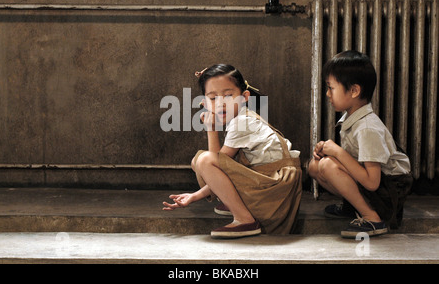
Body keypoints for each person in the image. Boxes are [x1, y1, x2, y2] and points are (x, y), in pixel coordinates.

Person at [163, 64, 302, 239]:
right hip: (274, 187)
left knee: (204, 160)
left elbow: (216, 163)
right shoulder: (242, 117)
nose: (220, 103)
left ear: (244, 97)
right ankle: (235, 203)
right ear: (205, 103)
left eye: (228, 96)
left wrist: (211, 129)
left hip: (275, 194)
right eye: (213, 98)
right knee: (200, 161)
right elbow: (221, 163)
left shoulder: (241, 122)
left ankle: (245, 220)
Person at [308, 50, 413, 238]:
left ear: (354, 91)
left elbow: (372, 183)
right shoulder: (352, 118)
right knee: (315, 166)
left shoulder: (367, 128)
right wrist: (328, 150)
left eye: (331, 88)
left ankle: (372, 218)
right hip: (379, 185)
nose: (327, 94)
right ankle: (353, 206)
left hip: (389, 191)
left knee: (327, 165)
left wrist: (338, 153)